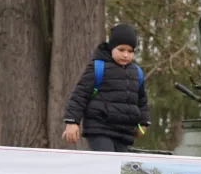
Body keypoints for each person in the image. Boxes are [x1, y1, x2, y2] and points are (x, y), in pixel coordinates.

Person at [62, 23, 149, 152]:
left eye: (130, 51)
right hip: (99, 129)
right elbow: (80, 95)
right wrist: (72, 122)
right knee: (106, 161)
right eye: (121, 50)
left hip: (124, 133)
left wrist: (143, 123)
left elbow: (141, 100)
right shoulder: (98, 67)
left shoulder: (137, 73)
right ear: (111, 48)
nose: (126, 55)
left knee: (120, 164)